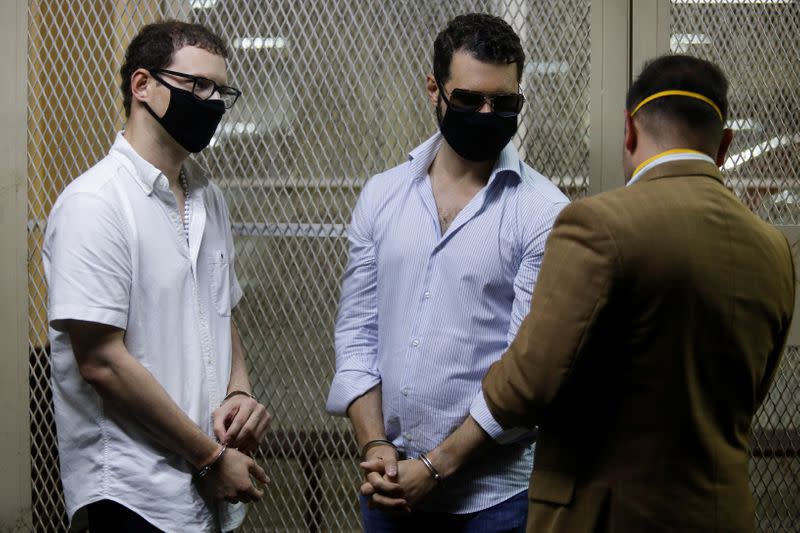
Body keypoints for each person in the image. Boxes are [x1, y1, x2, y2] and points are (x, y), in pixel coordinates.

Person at [414, 54, 793, 532]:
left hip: (606, 515)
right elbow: (751, 391)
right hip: (723, 514)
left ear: (630, 131)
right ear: (725, 145)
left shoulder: (597, 224)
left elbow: (528, 384)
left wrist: (446, 443)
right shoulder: (774, 247)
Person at [326, 13, 569, 532]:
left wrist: (436, 468)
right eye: (469, 99)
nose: (486, 112)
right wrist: (375, 447)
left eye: (504, 103)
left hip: (492, 502)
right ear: (434, 90)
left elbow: (526, 372)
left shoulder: (543, 212)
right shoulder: (382, 195)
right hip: (388, 490)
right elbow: (357, 334)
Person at [43, 21, 271, 532]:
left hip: (206, 495)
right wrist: (210, 458)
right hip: (130, 496)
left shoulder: (208, 197)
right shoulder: (94, 203)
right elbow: (102, 362)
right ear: (141, 85)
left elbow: (219, 308)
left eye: (220, 90)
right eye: (196, 86)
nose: (210, 101)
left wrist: (239, 390)